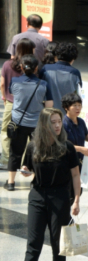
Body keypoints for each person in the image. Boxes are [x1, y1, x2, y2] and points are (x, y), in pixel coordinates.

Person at [21, 108, 81, 261]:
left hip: (60, 197)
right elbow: (27, 167)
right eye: (53, 122)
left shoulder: (67, 147)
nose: (57, 125)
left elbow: (76, 175)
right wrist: (25, 170)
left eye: (59, 121)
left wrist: (76, 200)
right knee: (33, 244)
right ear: (43, 124)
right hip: (37, 196)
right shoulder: (33, 146)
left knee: (58, 245)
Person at [4, 55, 53, 191]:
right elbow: (49, 105)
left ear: (21, 67)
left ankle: (11, 182)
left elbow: (12, 94)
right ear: (36, 68)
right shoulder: (43, 84)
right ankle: (35, 181)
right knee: (38, 152)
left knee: (15, 152)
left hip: (18, 123)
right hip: (37, 124)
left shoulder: (15, 81)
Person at [1, 38, 35, 169]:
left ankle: (6, 160)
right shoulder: (32, 66)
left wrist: (5, 98)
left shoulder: (7, 64)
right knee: (25, 132)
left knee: (6, 130)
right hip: (28, 104)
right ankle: (23, 162)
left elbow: (2, 84)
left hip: (11, 102)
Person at [38, 42, 82, 114]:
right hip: (67, 113)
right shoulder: (75, 73)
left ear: (57, 55)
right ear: (73, 58)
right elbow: (77, 92)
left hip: (48, 112)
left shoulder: (46, 69)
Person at [62, 92, 88, 166]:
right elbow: (62, 145)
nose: (78, 108)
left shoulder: (81, 121)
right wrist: (81, 149)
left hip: (80, 160)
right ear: (66, 107)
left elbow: (86, 134)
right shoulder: (63, 124)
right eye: (74, 105)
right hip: (67, 162)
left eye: (79, 105)